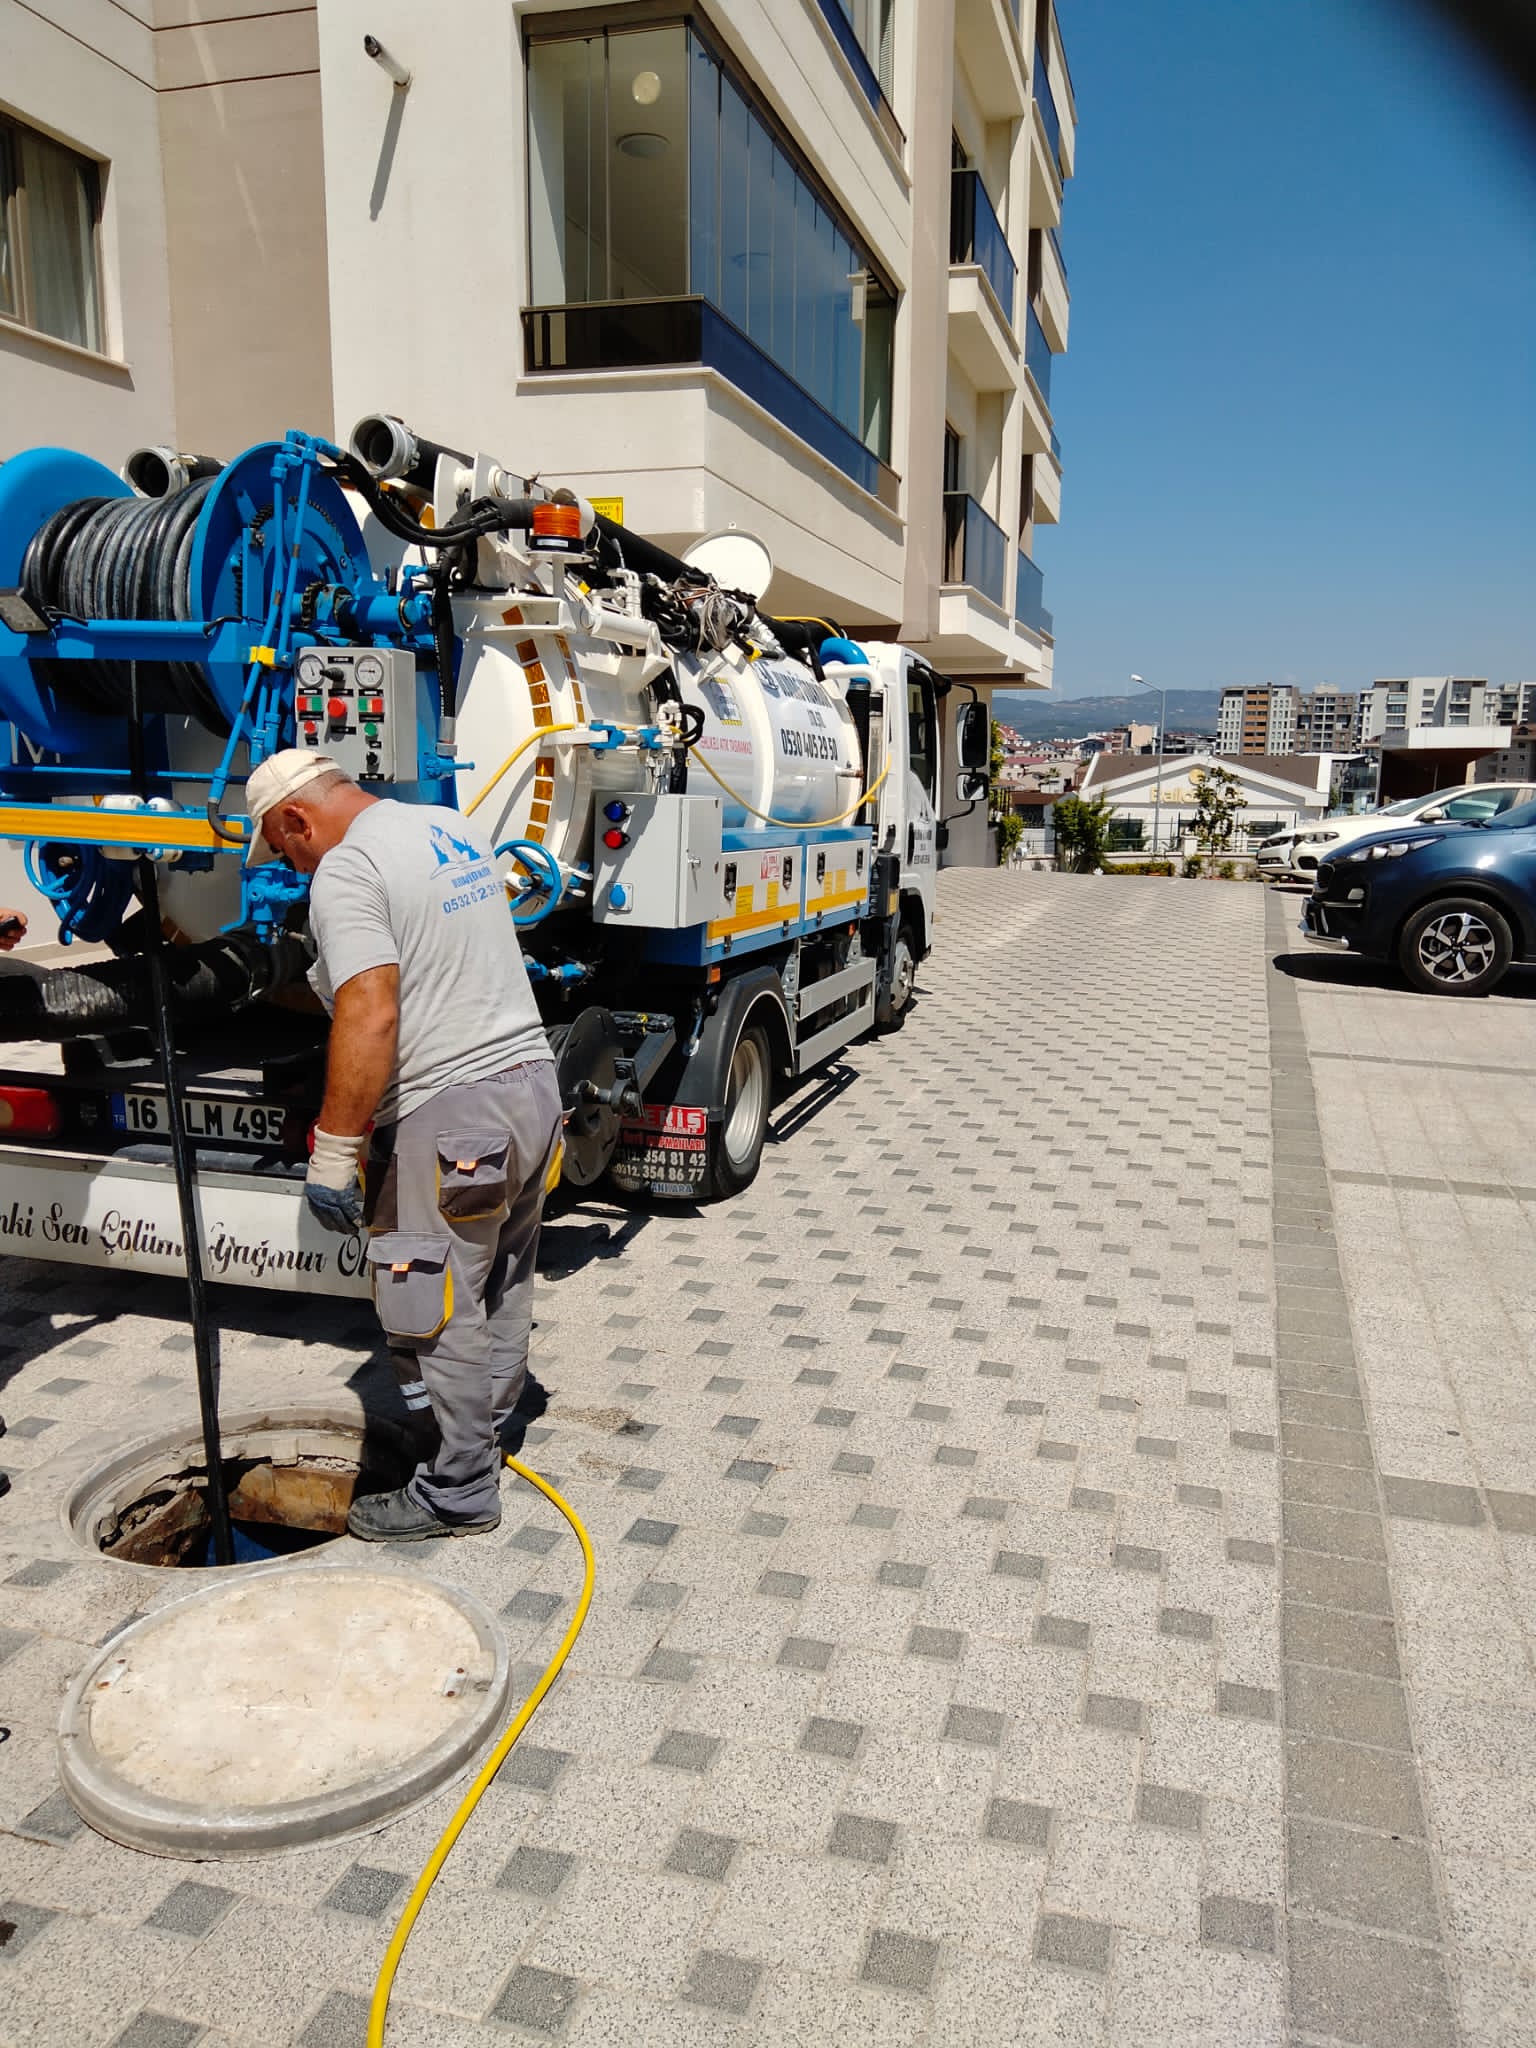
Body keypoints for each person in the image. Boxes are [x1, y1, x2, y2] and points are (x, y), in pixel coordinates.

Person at [245, 750, 562, 1542]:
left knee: (431, 1306)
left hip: (450, 1112)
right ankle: (484, 1437)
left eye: (285, 848)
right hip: (530, 1088)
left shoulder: (347, 870)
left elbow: (372, 1010)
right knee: (500, 1282)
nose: (292, 866)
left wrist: (334, 1150)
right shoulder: (447, 827)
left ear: (296, 817)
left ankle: (458, 1491)